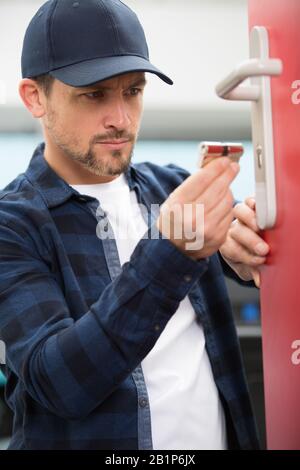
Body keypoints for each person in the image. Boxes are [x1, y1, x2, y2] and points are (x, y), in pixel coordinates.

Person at [0, 0, 269, 450]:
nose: (121, 119)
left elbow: (248, 251)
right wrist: (172, 252)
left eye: (133, 91)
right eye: (94, 94)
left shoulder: (176, 187)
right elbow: (61, 383)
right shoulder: (13, 224)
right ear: (35, 97)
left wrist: (250, 244)